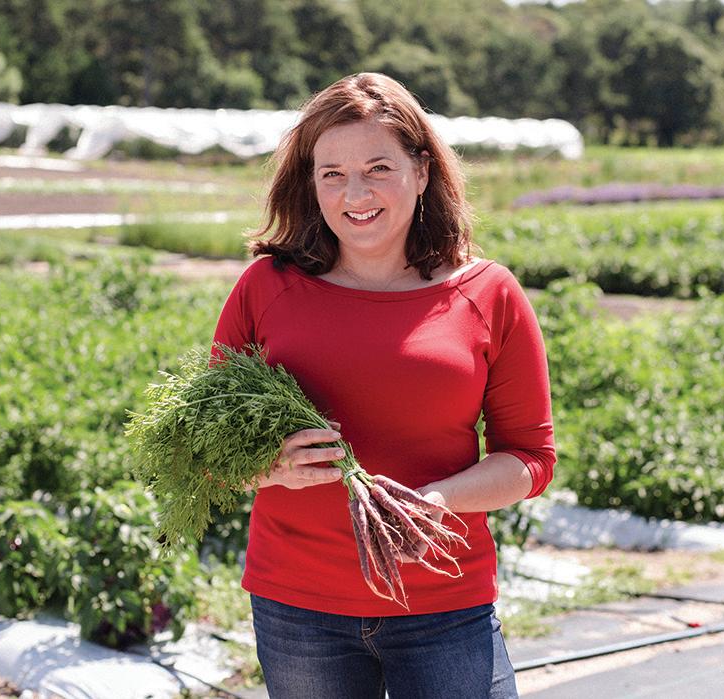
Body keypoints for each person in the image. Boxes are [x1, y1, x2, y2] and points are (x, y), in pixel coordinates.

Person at [212, 72, 556, 699]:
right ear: (310, 183)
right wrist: (273, 469)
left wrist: (440, 500)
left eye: (378, 168)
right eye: (332, 174)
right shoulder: (265, 289)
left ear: (421, 171)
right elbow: (207, 453)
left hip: (444, 603)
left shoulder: (489, 295)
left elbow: (531, 459)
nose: (355, 193)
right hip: (300, 610)